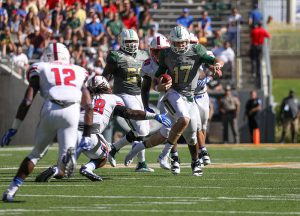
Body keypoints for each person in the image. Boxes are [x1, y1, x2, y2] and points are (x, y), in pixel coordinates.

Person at [125, 26, 223, 176]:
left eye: (182, 42)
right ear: (171, 42)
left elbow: (213, 59)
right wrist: (160, 86)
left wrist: (216, 64)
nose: (180, 45)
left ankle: (194, 162)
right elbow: (157, 79)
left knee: (190, 135)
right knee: (183, 120)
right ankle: (167, 154)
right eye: (176, 43)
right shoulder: (166, 54)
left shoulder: (196, 50)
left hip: (190, 97)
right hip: (172, 94)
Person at [1, 42, 94, 202]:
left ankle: (10, 192)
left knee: (36, 154)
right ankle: (65, 159)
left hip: (52, 106)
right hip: (73, 110)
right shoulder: (79, 70)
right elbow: (89, 106)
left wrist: (14, 128)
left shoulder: (41, 67)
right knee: (63, 166)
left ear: (47, 56)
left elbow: (27, 101)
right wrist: (86, 135)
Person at [37, 76, 171, 182]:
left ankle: (55, 170)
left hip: (69, 131)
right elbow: (130, 113)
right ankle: (88, 168)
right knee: (104, 155)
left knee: (63, 170)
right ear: (105, 86)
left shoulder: (82, 97)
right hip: (89, 132)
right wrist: (155, 116)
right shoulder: (112, 98)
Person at [102, 29, 152, 172]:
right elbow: (105, 77)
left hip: (139, 94)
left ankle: (114, 148)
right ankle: (141, 163)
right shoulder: (116, 56)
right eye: (128, 42)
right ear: (122, 42)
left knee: (142, 130)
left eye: (134, 42)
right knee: (140, 129)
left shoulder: (143, 55)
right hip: (123, 94)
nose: (131, 45)